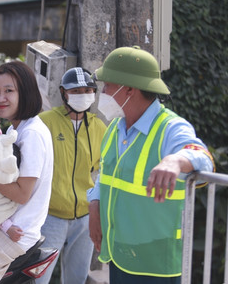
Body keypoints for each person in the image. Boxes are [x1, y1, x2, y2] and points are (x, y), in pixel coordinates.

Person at [88, 46, 215, 283]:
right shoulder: (115, 128)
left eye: (108, 85)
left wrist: (175, 160)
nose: (102, 91)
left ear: (129, 89)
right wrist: (94, 203)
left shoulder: (170, 127)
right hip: (119, 255)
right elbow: (105, 173)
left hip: (155, 263)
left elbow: (203, 157)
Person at [0, 61, 54, 283]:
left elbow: (22, 193)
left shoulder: (31, 133)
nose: (0, 98)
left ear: (25, 92)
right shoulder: (17, 129)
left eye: (9, 91)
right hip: (4, 227)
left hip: (14, 234)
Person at [37, 67, 106, 284]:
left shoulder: (99, 127)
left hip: (85, 217)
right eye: (75, 91)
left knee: (77, 278)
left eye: (87, 90)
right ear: (63, 93)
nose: (82, 95)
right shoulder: (45, 122)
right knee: (39, 277)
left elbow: (102, 170)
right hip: (50, 216)